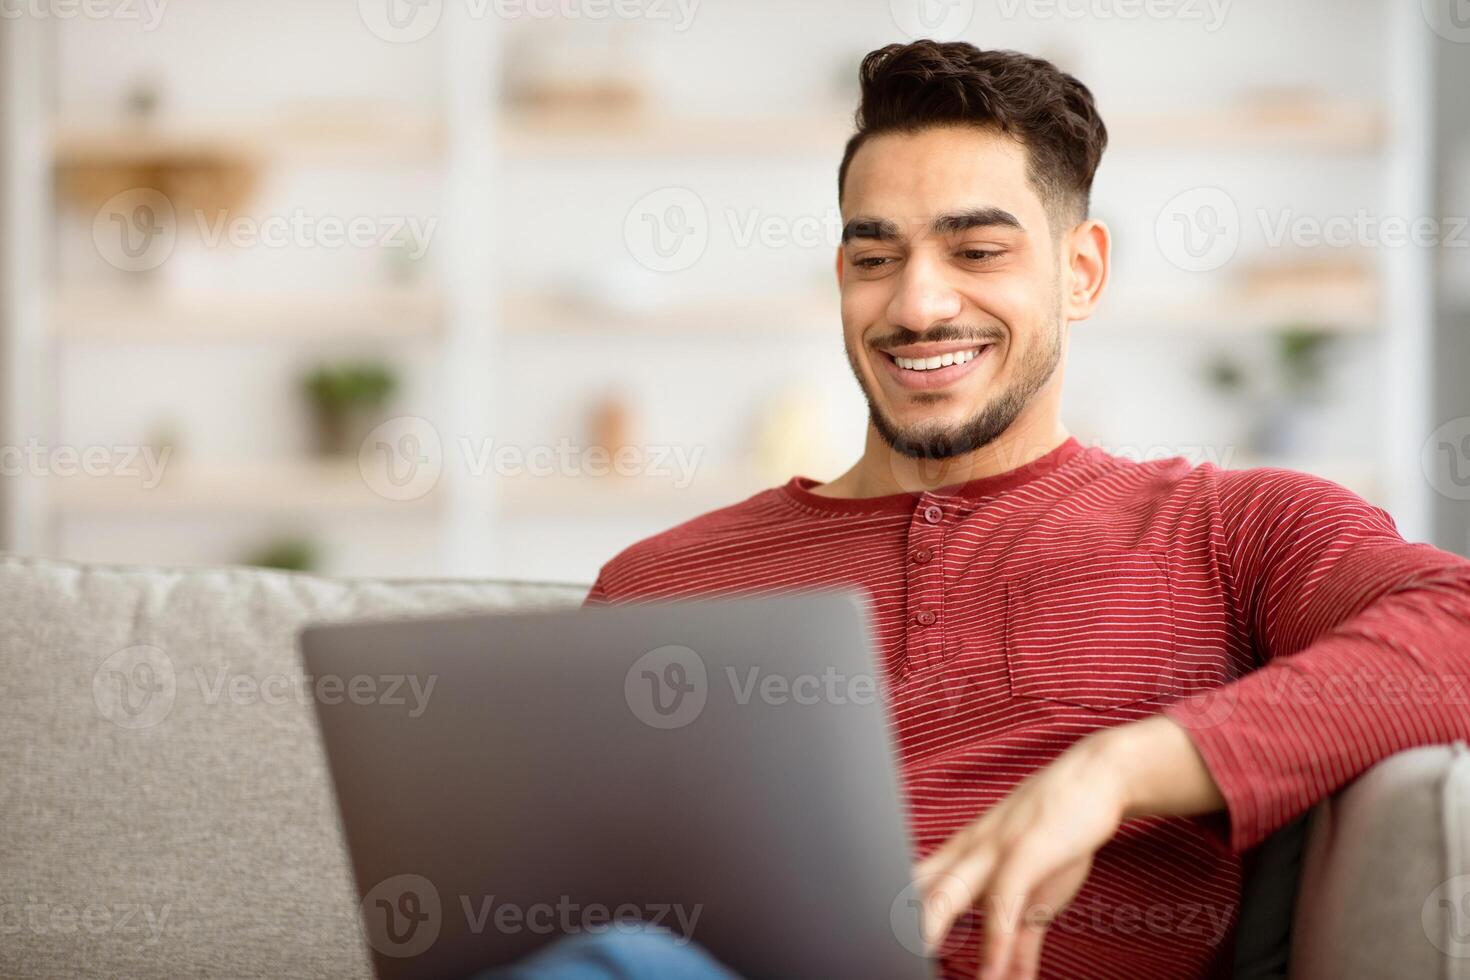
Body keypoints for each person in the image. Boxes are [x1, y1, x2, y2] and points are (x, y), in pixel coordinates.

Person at [521, 40, 1470, 980]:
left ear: (1082, 272)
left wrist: (1118, 771)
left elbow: (1454, 624)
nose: (919, 304)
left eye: (977, 250)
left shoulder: (1229, 529)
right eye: (876, 255)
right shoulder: (657, 583)